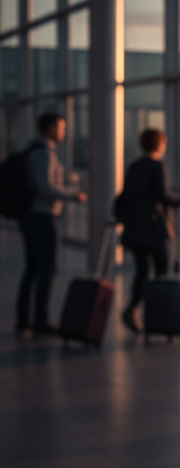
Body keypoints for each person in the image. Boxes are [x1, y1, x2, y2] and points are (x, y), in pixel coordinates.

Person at [16, 112, 88, 336]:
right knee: (47, 268)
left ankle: (26, 319)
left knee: (33, 268)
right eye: (61, 127)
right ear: (49, 128)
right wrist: (72, 194)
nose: (64, 132)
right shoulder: (44, 154)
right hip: (42, 216)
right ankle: (40, 318)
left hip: (31, 215)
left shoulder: (33, 151)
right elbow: (45, 187)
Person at [117, 128, 180, 333]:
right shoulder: (158, 166)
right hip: (155, 230)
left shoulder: (134, 166)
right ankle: (160, 318)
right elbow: (162, 196)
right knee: (162, 273)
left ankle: (133, 308)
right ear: (160, 145)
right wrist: (179, 200)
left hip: (135, 230)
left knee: (142, 272)